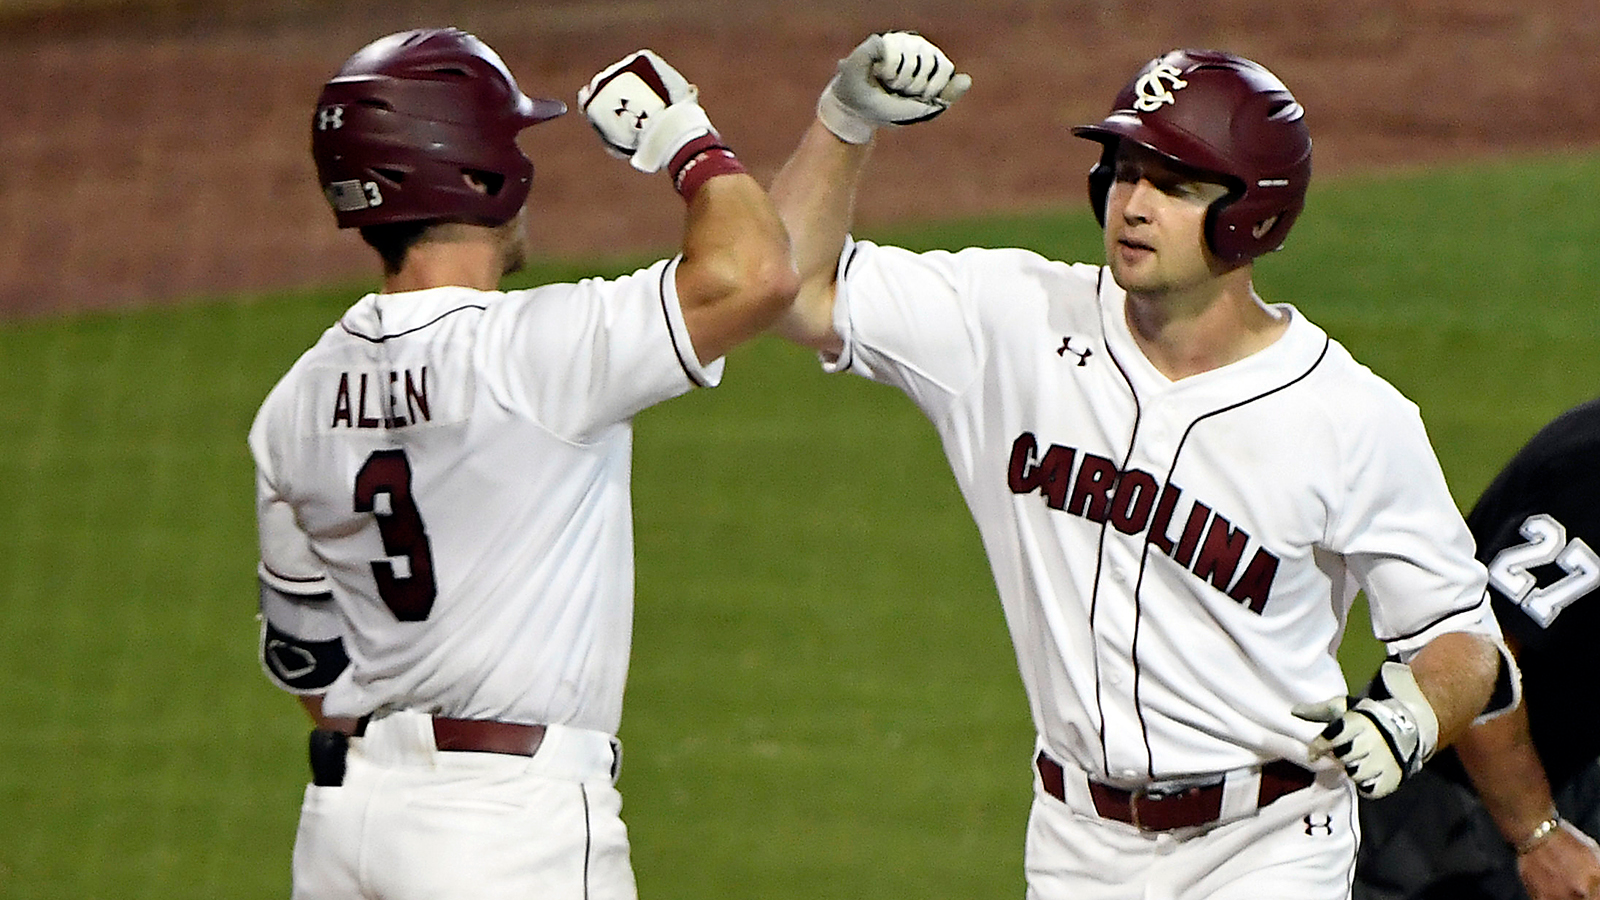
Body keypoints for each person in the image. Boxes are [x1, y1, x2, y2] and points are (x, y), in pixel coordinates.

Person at [768, 32, 1517, 898]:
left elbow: (1464, 638)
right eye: (1125, 173)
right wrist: (843, 122)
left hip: (1268, 846)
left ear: (1252, 211)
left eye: (1174, 185)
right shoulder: (1008, 323)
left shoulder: (1351, 418)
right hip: (1075, 843)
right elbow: (790, 288)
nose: (1133, 205)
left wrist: (1411, 719)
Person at [249, 27, 795, 900]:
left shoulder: (296, 401)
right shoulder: (534, 355)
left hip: (347, 826)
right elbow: (754, 274)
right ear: (477, 173)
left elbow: (304, 657)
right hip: (503, 831)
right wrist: (685, 139)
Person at [1355, 397, 1600, 900]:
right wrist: (1538, 835)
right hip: (1452, 806)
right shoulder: (1591, 473)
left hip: (1565, 777)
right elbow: (1481, 656)